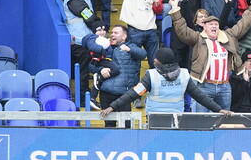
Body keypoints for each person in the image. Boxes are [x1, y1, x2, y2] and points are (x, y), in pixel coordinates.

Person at [99, 47, 232, 125]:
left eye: (156, 58)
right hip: (176, 119)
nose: (154, 60)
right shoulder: (184, 74)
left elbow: (133, 94)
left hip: (154, 118)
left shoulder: (151, 75)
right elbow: (200, 96)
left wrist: (112, 106)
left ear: (161, 61)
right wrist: (219, 109)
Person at [85, 25, 147, 124]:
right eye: (112, 32)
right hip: (105, 92)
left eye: (116, 33)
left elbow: (143, 54)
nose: (112, 35)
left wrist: (129, 50)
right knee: (109, 126)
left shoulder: (131, 47)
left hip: (124, 94)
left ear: (124, 36)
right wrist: (101, 69)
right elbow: (91, 66)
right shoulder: (104, 48)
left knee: (126, 126)